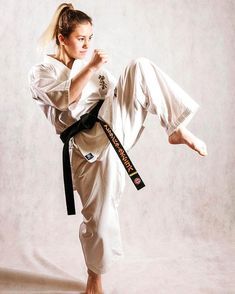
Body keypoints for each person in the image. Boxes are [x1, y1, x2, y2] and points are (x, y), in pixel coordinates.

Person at [28, 3, 207, 293]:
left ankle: (176, 128)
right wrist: (91, 66)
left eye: (90, 37)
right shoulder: (42, 71)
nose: (87, 44)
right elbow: (64, 100)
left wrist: (104, 77)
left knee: (140, 67)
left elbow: (119, 94)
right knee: (99, 217)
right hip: (86, 142)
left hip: (114, 125)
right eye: (80, 38)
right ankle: (95, 277)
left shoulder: (95, 70)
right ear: (62, 39)